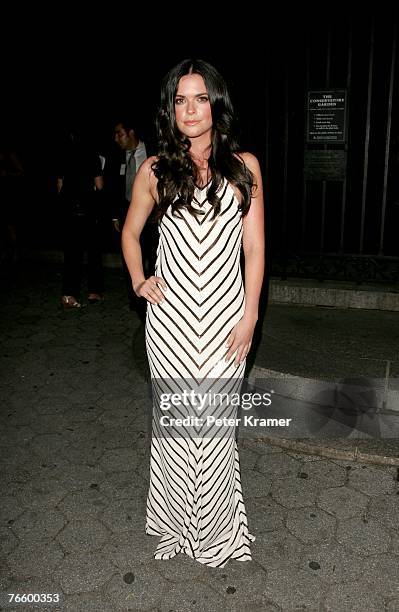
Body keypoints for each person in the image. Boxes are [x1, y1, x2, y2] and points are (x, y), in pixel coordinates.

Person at [122, 59, 265, 567]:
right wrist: (140, 280)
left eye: (200, 98)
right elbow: (129, 233)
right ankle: (175, 526)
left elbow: (255, 249)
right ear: (170, 109)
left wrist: (250, 316)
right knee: (177, 432)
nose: (190, 109)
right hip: (171, 326)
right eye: (180, 100)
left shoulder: (244, 167)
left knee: (215, 430)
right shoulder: (155, 170)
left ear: (216, 104)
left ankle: (219, 534)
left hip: (227, 323)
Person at [107, 118, 157, 314]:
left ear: (131, 132)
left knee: (154, 256)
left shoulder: (153, 152)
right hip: (127, 213)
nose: (116, 139)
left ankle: (156, 296)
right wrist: (114, 216)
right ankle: (136, 300)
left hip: (153, 215)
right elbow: (111, 188)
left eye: (120, 134)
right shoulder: (116, 157)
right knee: (130, 255)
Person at [56, 129, 105, 308]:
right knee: (93, 252)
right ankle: (94, 292)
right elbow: (99, 185)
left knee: (71, 254)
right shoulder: (92, 155)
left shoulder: (64, 154)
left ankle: (68, 294)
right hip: (88, 209)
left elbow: (59, 185)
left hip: (69, 210)